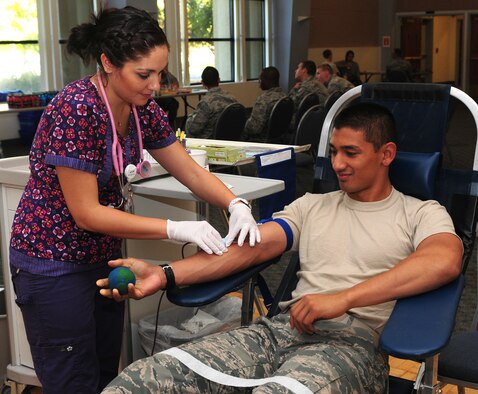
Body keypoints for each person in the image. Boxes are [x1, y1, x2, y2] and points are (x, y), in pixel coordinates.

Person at [99, 102, 463, 393]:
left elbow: (443, 261)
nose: (338, 164)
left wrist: (343, 298)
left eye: (351, 153)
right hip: (280, 331)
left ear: (386, 154)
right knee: (145, 377)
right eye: (334, 151)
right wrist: (163, 275)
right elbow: (251, 248)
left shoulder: (420, 213)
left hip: (352, 347)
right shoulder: (312, 206)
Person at [8, 6, 260, 394]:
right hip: (52, 262)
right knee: (73, 380)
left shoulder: (141, 109)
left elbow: (190, 171)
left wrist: (235, 204)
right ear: (108, 62)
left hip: (102, 257)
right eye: (144, 74)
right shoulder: (77, 109)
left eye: (160, 72)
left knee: (108, 372)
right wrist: (174, 228)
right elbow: (87, 213)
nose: (155, 85)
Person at [185, 66, 238, 139]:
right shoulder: (232, 99)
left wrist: (190, 118)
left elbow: (193, 129)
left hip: (209, 141)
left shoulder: (206, 102)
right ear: (219, 80)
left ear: (202, 83)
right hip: (230, 139)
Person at [242, 66, 286, 143]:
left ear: (267, 81)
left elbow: (254, 128)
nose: (259, 82)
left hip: (261, 140)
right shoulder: (285, 97)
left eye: (260, 79)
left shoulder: (263, 100)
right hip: (281, 139)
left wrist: (243, 124)